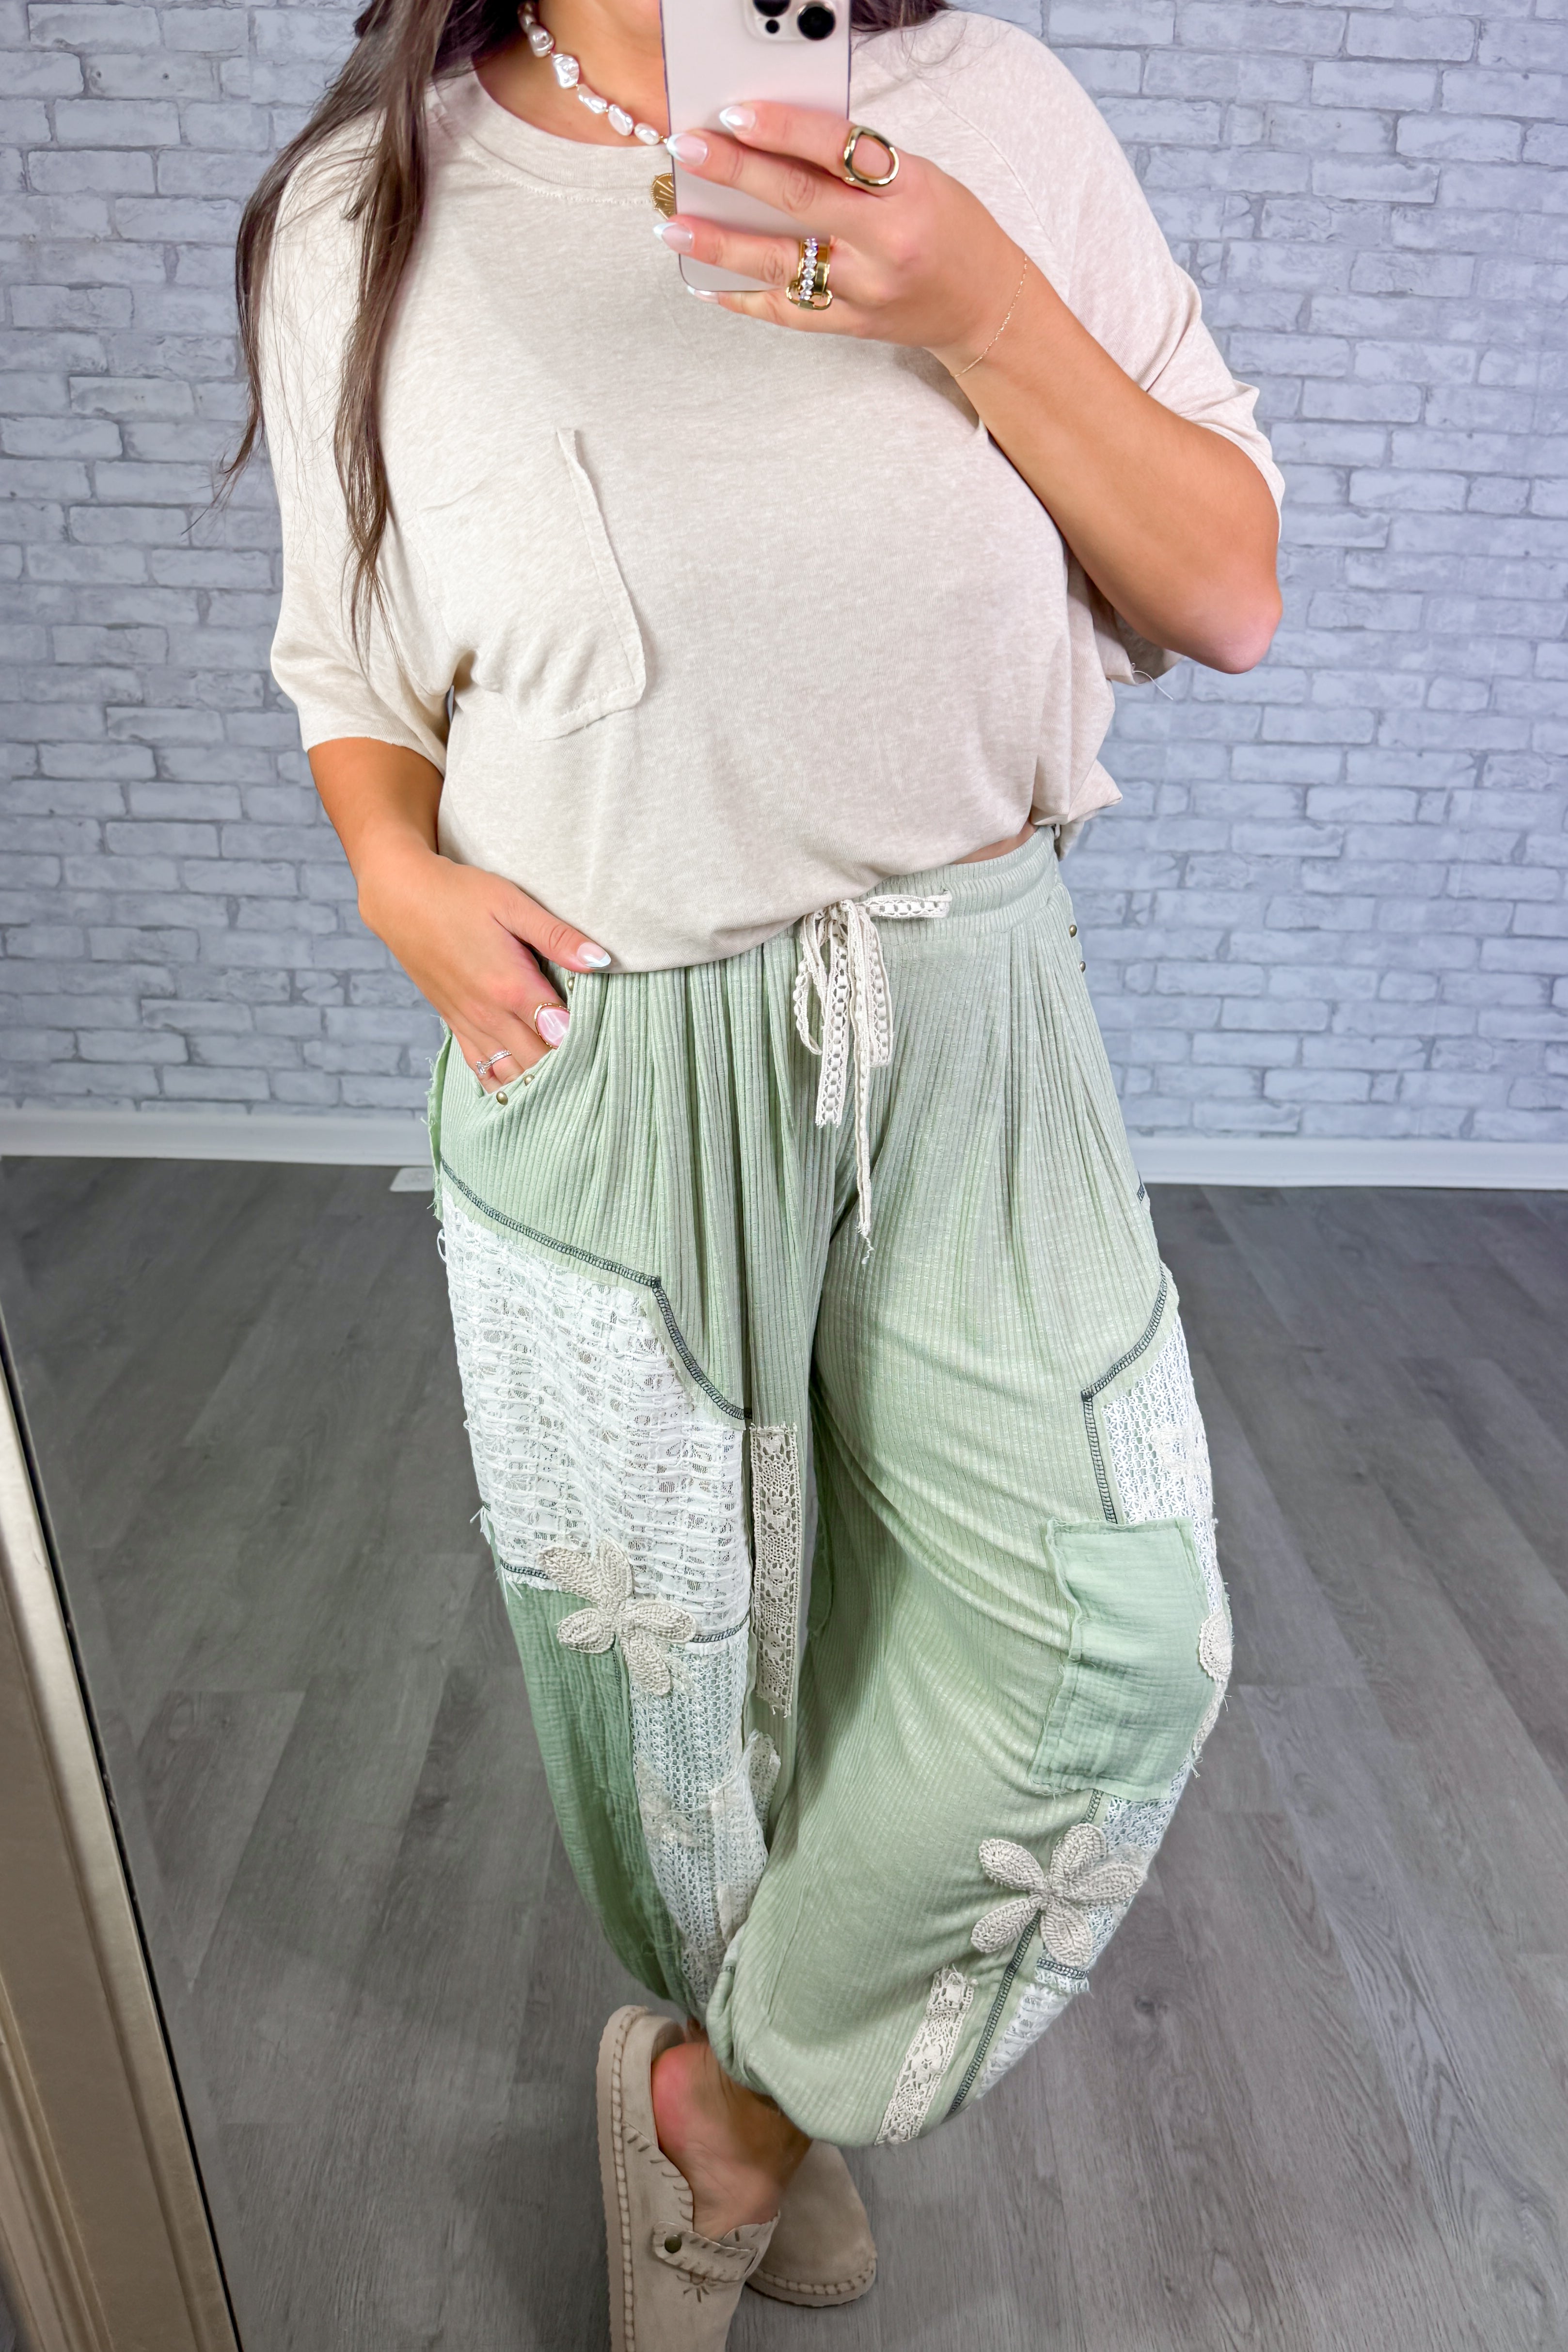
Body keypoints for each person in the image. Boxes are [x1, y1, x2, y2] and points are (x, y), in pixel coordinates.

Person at [235, 0, 1282, 2333]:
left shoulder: (993, 114)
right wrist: (391, 874)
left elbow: (1224, 591)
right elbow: (352, 663)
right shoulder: (363, 211)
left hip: (967, 1019)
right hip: (596, 1049)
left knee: (1109, 1633)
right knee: (676, 1705)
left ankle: (730, 2103)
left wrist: (978, 305)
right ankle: (752, 2106)